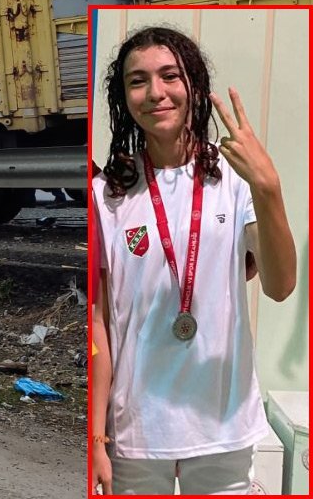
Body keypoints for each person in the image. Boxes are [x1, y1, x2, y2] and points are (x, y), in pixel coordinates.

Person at [90, 27, 296, 495]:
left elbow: (280, 285)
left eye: (170, 76)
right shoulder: (109, 194)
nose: (155, 92)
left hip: (222, 426)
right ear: (124, 98)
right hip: (136, 432)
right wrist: (96, 436)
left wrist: (269, 188)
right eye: (138, 80)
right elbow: (98, 322)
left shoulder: (235, 180)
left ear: (195, 87)